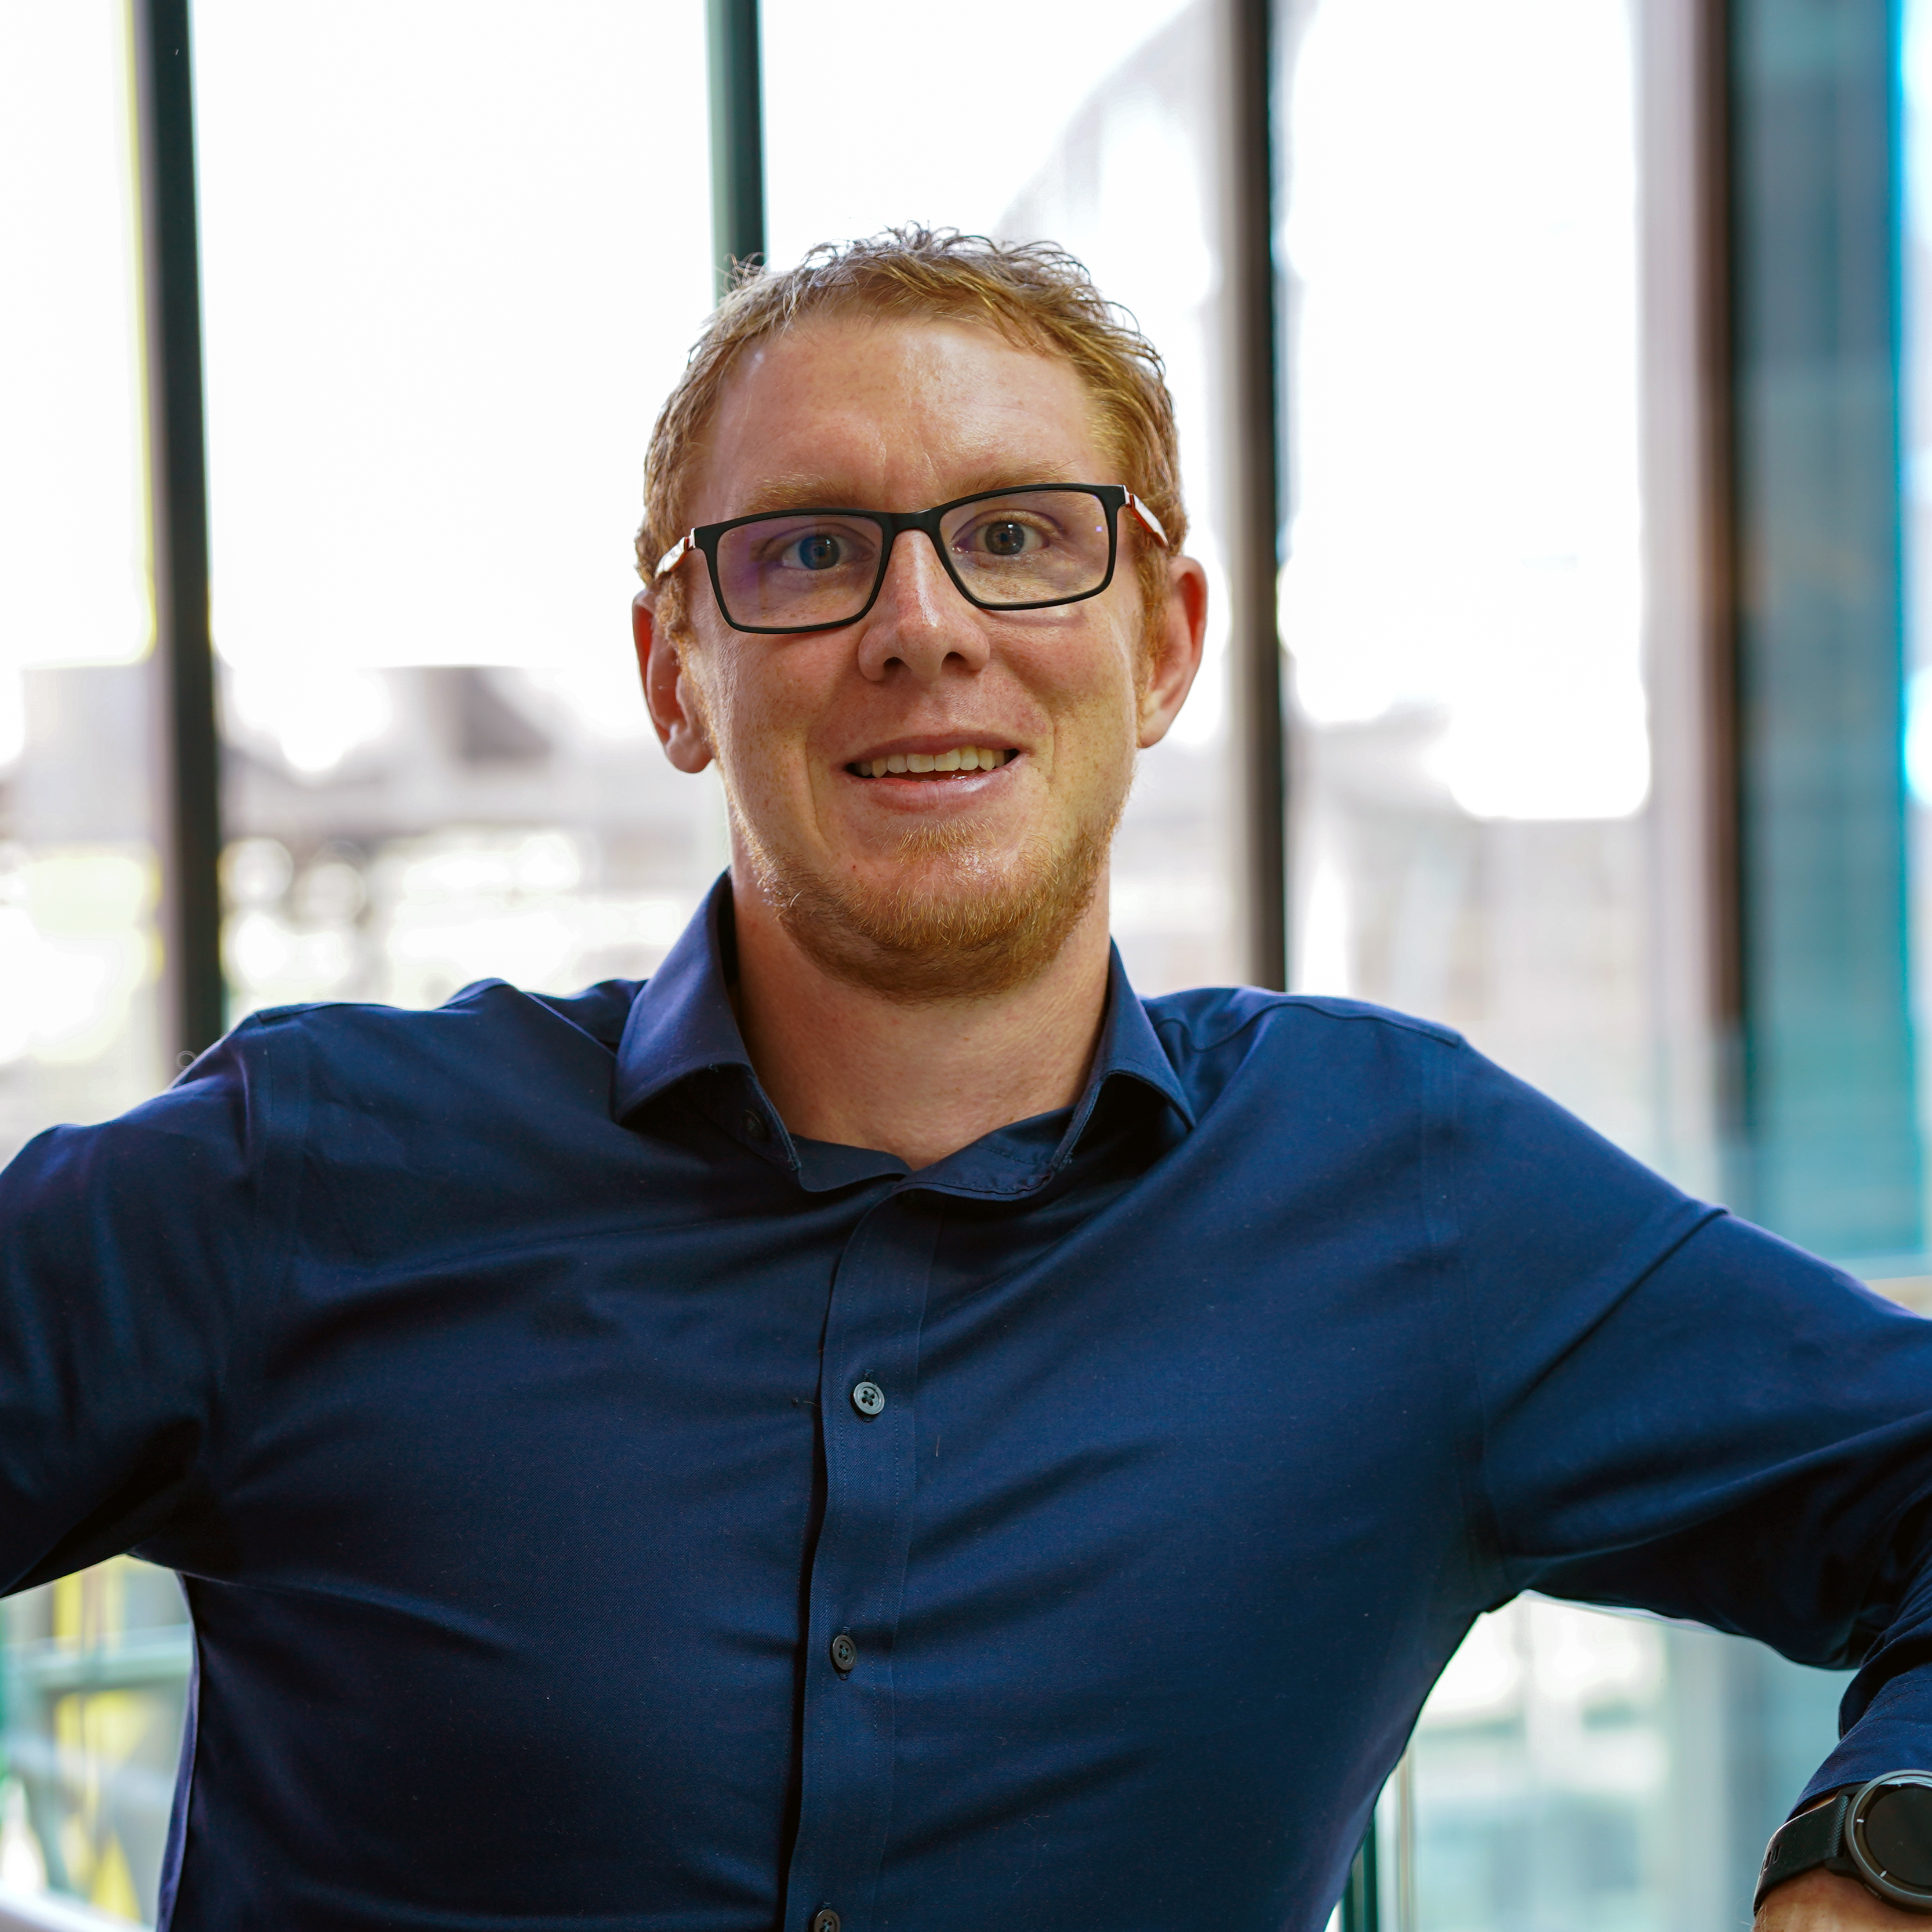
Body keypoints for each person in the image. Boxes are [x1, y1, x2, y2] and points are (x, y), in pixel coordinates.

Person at [3, 228, 1929, 1932]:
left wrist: (1882, 1838)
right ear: (678, 670)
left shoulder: (1410, 1197)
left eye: (1014, 536)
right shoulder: (311, 1171)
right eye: (810, 551)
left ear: (1162, 643)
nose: (920, 627)